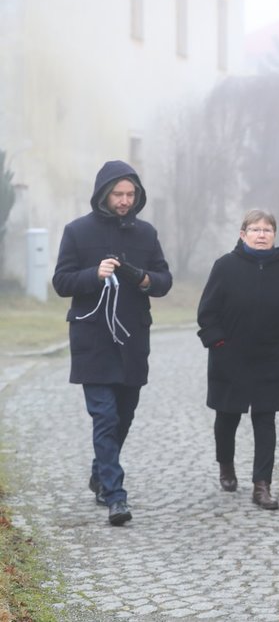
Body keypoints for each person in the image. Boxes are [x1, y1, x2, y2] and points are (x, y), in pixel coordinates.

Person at [52, 160, 173, 526]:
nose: (124, 200)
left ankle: (100, 474)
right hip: (92, 341)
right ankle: (115, 496)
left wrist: (143, 279)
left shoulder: (147, 234)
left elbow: (164, 281)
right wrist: (94, 274)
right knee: (104, 417)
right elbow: (61, 282)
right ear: (103, 194)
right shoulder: (77, 231)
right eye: (118, 194)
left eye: (130, 194)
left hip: (133, 339)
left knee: (123, 417)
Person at [197, 209, 279, 510]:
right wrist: (218, 343)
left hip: (270, 356)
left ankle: (262, 485)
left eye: (267, 230)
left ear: (274, 235)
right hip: (229, 355)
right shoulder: (225, 266)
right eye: (255, 229)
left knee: (265, 419)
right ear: (242, 233)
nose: (261, 235)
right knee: (227, 417)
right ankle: (226, 464)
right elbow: (207, 313)